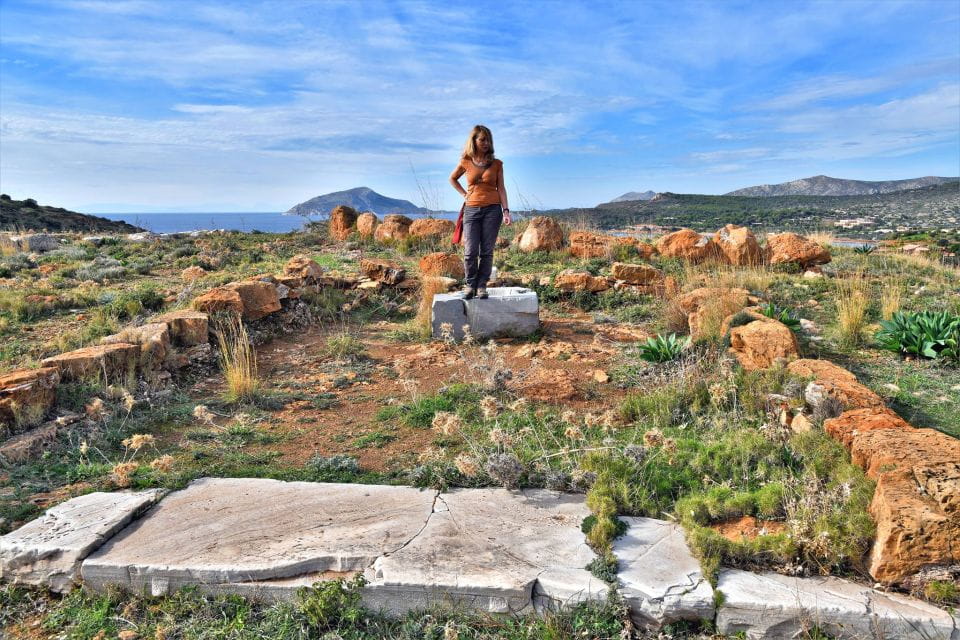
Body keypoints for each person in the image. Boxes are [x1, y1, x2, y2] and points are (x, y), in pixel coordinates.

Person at [449, 124, 511, 299]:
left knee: (486, 251)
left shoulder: (497, 164)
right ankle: (470, 285)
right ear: (474, 141)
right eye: (482, 139)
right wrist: (463, 194)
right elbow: (452, 179)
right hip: (471, 210)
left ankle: (482, 285)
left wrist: (506, 211)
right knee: (470, 251)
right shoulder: (465, 161)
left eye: (488, 140)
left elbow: (501, 188)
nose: (486, 143)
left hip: (493, 210)